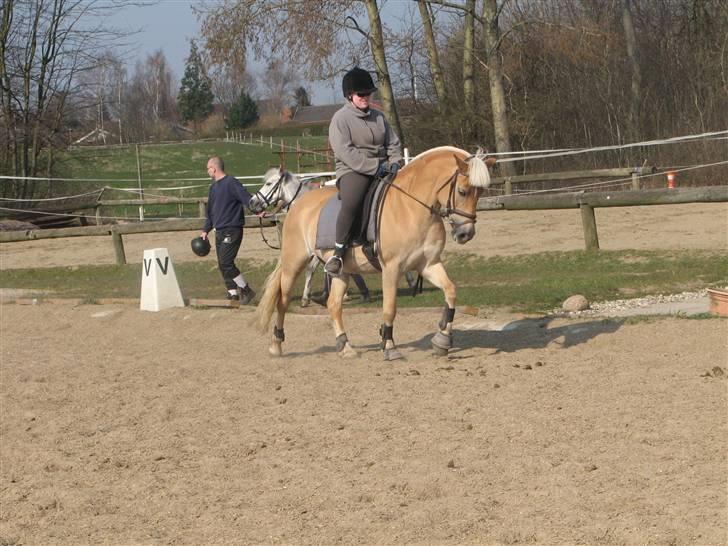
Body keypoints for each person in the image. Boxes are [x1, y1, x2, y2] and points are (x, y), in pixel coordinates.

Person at [325, 66, 403, 276]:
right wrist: (374, 167)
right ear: (350, 95)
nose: (366, 97)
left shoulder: (379, 117)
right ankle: (339, 252)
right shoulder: (340, 119)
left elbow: (393, 143)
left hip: (383, 167)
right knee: (353, 200)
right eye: (361, 94)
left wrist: (395, 161)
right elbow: (345, 152)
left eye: (368, 93)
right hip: (353, 171)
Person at [201, 156, 256, 304]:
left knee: (226, 261)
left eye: (208, 168)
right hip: (218, 231)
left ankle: (246, 290)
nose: (207, 171)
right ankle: (233, 294)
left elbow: (246, 198)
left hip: (232, 229)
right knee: (222, 263)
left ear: (214, 168)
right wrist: (206, 229)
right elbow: (210, 212)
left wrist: (258, 211)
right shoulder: (213, 188)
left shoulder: (231, 182)